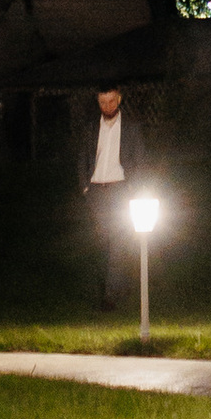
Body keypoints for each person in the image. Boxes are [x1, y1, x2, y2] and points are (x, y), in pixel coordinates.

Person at [74, 81, 147, 310]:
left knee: (117, 242)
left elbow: (140, 160)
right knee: (102, 242)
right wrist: (85, 187)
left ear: (119, 99)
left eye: (111, 101)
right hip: (96, 191)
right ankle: (112, 287)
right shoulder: (91, 128)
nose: (107, 106)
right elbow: (83, 158)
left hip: (120, 190)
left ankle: (110, 296)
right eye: (103, 102)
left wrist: (133, 189)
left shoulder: (131, 128)